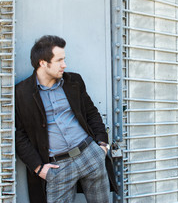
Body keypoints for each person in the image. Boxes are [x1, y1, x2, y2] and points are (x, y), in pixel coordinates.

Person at [15, 35, 117, 203]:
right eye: (59, 60)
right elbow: (20, 136)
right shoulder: (21, 93)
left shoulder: (73, 81)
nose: (64, 65)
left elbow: (91, 113)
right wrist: (39, 168)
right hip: (57, 167)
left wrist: (102, 146)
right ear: (43, 63)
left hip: (90, 154)